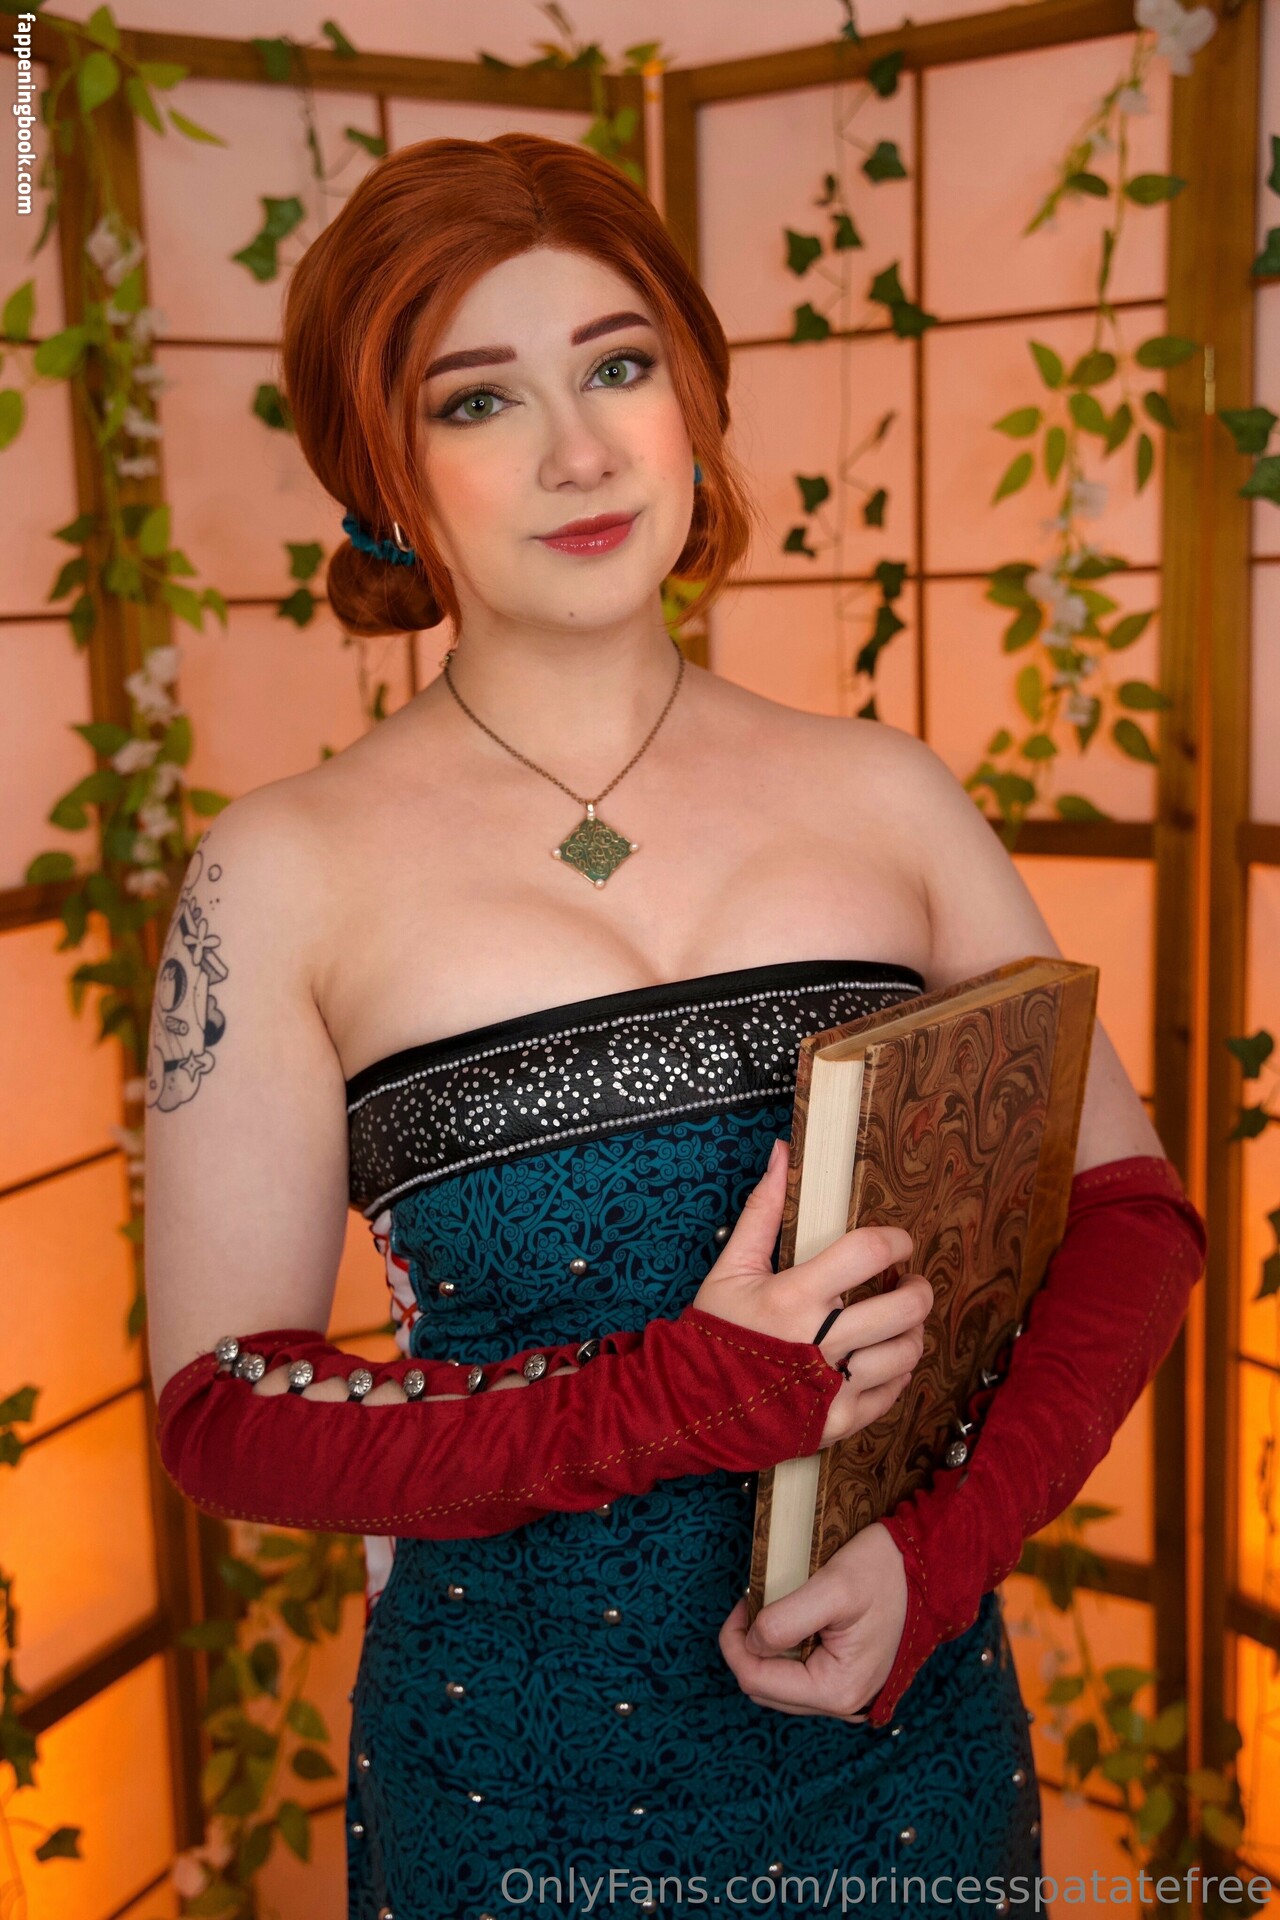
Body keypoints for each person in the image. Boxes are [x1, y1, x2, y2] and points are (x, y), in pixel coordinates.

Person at [148, 133, 1208, 1920]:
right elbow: (221, 1412)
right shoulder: (278, 872)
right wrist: (673, 1397)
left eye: (619, 366)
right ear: (381, 471)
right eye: (478, 399)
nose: (578, 451)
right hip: (510, 1783)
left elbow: (1133, 1221)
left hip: (902, 1735)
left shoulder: (887, 794)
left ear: (697, 398)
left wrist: (939, 1560)